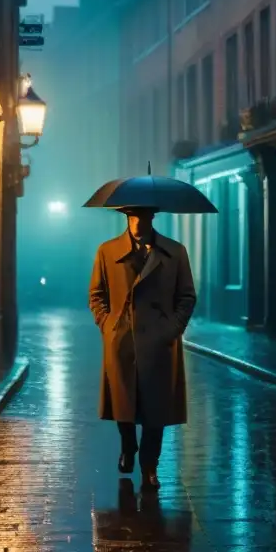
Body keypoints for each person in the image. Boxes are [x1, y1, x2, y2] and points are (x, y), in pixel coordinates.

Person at [88, 206, 197, 490]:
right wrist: (108, 324)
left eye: (143, 217)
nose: (138, 223)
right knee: (123, 400)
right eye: (132, 217)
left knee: (155, 409)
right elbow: (96, 294)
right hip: (121, 338)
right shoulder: (108, 251)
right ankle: (128, 447)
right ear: (126, 218)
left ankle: (150, 467)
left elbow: (187, 296)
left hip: (159, 341)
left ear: (152, 219)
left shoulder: (174, 252)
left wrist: (171, 329)